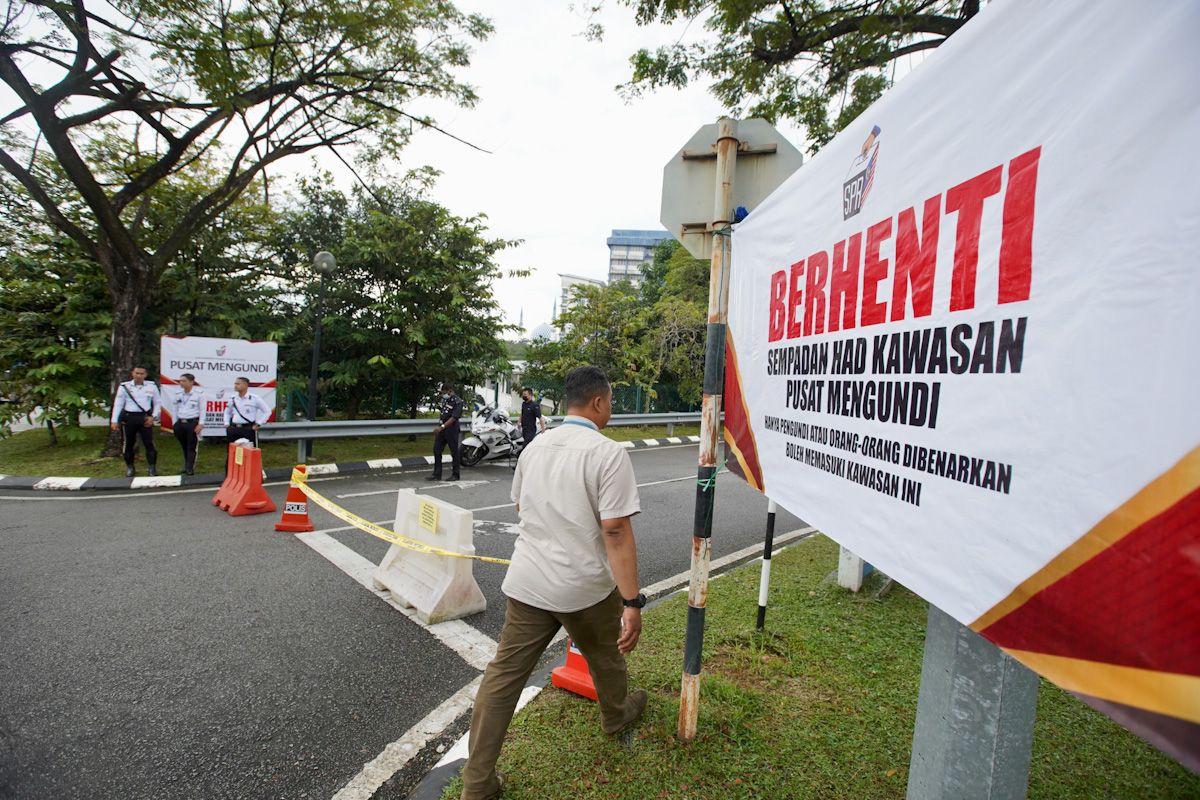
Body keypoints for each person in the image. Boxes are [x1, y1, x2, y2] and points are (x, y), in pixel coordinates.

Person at [459, 365, 647, 800]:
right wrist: (632, 601)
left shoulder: (535, 447)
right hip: (584, 586)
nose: (611, 408)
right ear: (598, 402)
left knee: (503, 677)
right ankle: (616, 716)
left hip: (527, 582)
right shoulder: (608, 453)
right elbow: (615, 530)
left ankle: (477, 784)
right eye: (611, 401)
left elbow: (522, 507)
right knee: (606, 657)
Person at [109, 366, 162, 478]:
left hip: (145, 418)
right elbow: (118, 404)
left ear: (145, 375)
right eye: (137, 373)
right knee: (128, 444)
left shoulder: (151, 386)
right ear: (132, 374)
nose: (139, 376)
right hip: (129, 418)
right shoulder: (124, 386)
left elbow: (157, 403)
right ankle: (130, 467)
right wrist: (114, 420)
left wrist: (153, 417)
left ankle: (152, 467)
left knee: (149, 444)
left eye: (142, 373)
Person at [169, 373, 205, 476]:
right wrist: (174, 423)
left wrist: (201, 423)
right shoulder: (178, 394)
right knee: (184, 445)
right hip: (180, 422)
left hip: (192, 422)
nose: (181, 383)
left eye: (184, 381)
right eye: (180, 381)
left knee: (191, 446)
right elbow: (175, 409)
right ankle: (186, 465)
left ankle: (190, 468)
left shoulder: (199, 394)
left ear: (191, 382)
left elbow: (202, 409)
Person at [223, 376, 271, 450]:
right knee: (232, 452)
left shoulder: (254, 398)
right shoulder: (232, 398)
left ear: (245, 385)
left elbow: (267, 411)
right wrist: (226, 423)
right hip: (233, 428)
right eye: (235, 383)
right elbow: (227, 412)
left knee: (249, 452)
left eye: (238, 384)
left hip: (248, 428)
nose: (235, 385)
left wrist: (259, 423)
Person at [429, 382, 463, 481]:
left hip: (451, 429)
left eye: (444, 392)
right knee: (437, 450)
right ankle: (437, 474)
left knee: (454, 452)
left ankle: (455, 475)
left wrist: (442, 427)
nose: (443, 394)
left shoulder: (458, 401)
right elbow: (443, 412)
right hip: (442, 428)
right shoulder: (444, 400)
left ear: (450, 391)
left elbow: (454, 418)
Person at [518, 386, 545, 450]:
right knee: (527, 447)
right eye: (523, 394)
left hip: (531, 430)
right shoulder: (523, 404)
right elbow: (522, 414)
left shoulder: (534, 405)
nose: (523, 396)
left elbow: (540, 418)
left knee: (525, 447)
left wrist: (543, 430)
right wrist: (519, 422)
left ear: (530, 395)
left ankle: (520, 457)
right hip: (524, 429)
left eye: (525, 395)